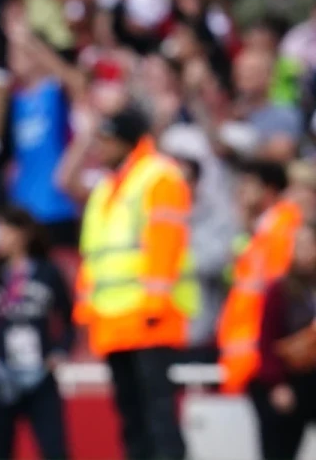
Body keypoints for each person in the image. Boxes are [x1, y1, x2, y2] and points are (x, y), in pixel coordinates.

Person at [75, 106, 197, 460]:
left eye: (106, 139)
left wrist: (155, 308)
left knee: (159, 416)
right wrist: (88, 313)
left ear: (127, 141)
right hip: (114, 322)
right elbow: (94, 255)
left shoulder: (159, 177)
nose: (100, 147)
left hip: (148, 319)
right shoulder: (107, 187)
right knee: (132, 417)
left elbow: (165, 245)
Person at [0, 206, 73, 460]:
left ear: (23, 234)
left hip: (40, 376)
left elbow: (70, 320)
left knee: (56, 451)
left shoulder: (47, 273)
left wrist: (60, 351)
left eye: (5, 230)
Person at [218, 160, 303, 394]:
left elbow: (280, 298)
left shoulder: (283, 231)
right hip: (253, 356)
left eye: (249, 184)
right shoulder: (261, 233)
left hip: (267, 358)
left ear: (269, 190)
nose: (241, 190)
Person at [251, 222, 316, 460]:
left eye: (307, 244)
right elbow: (267, 339)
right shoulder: (281, 290)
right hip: (290, 376)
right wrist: (276, 383)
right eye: (296, 245)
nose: (301, 251)